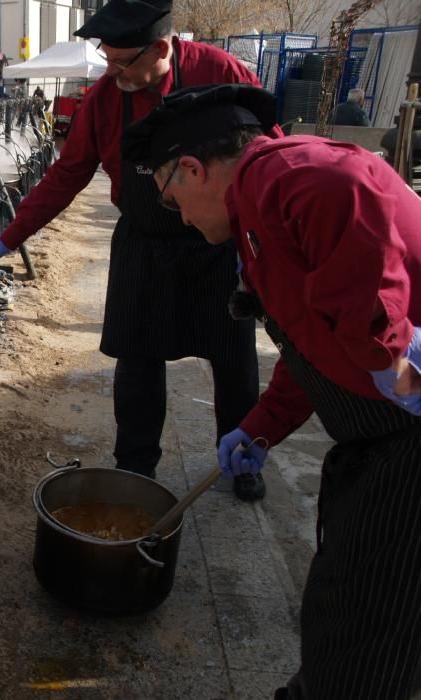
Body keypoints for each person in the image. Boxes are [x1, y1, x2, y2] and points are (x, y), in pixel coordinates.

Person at [121, 82, 421, 700]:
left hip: (407, 438)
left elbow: (353, 189)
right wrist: (261, 424)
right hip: (374, 442)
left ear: (195, 168)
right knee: (346, 600)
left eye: (172, 199)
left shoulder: (290, 175)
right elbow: (309, 343)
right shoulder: (256, 216)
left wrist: (390, 357)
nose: (179, 216)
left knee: (368, 625)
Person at [0, 0, 276, 501]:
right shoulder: (107, 99)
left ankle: (241, 457)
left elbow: (268, 154)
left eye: (120, 63)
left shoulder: (219, 73)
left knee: (234, 359)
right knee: (137, 361)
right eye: (106, 60)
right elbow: (68, 173)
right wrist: (10, 236)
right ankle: (135, 464)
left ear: (162, 47)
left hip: (217, 243)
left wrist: (262, 244)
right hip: (144, 245)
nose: (110, 73)